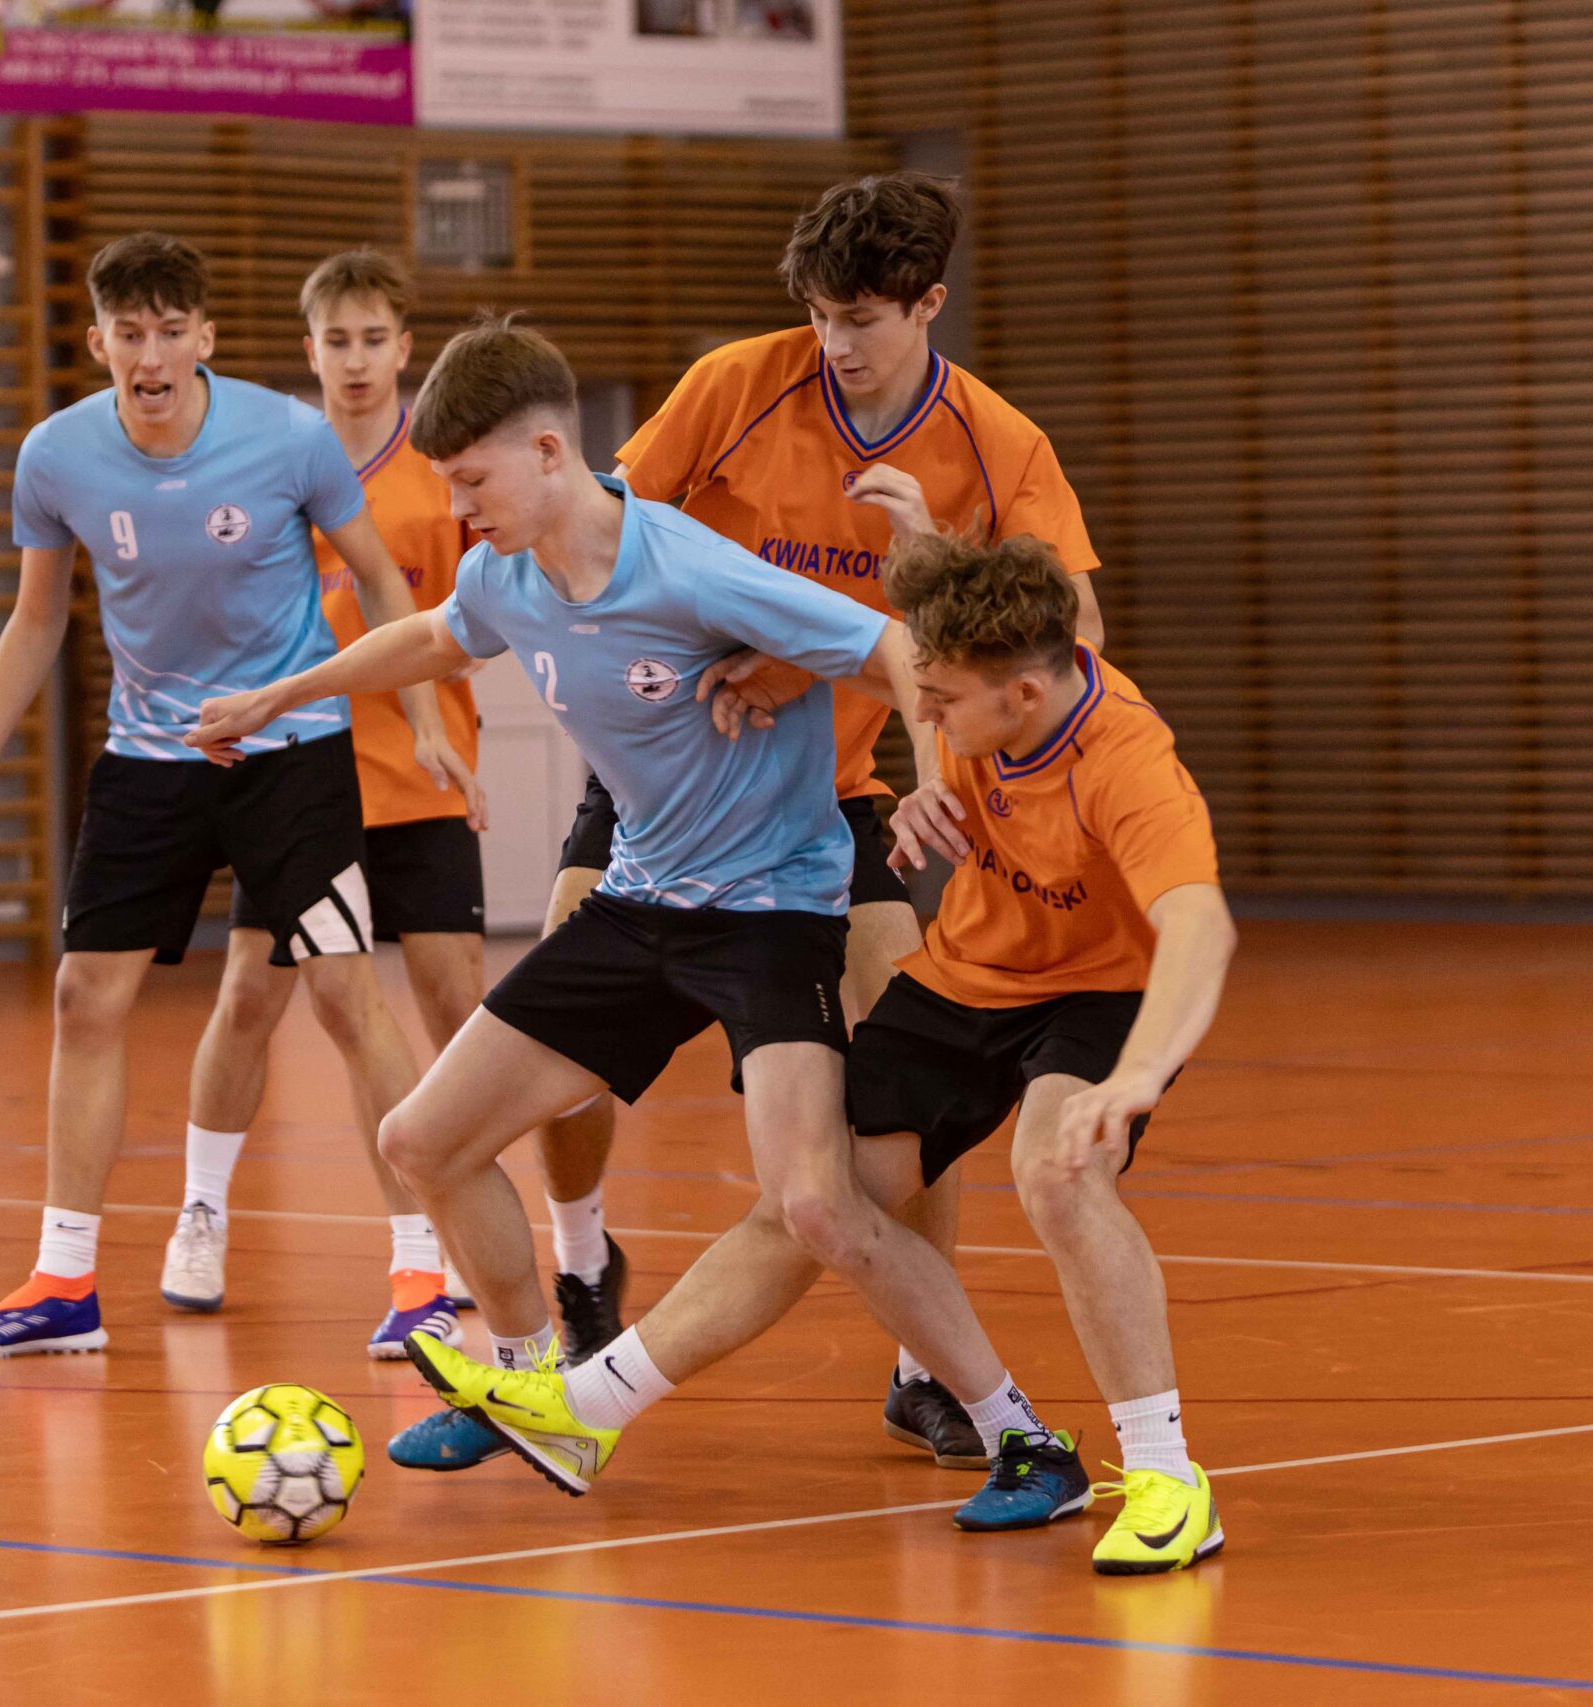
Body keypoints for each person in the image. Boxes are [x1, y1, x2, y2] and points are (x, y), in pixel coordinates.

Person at [189, 316, 1066, 1501]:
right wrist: (278, 697)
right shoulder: (504, 574)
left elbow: (896, 650)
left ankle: (1019, 1433)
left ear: (549, 454)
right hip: (637, 901)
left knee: (818, 1204)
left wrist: (932, 782)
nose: (457, 508)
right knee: (420, 1141)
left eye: (472, 481)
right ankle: (525, 1384)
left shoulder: (692, 567)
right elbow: (435, 638)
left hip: (769, 912)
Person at [537, 169, 1110, 1469]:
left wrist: (911, 589)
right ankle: (578, 1262)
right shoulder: (736, 385)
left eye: (861, 318)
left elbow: (1071, 639)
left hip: (830, 802)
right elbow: (608, 539)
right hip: (664, 780)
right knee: (548, 1054)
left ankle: (927, 1370)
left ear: (928, 304)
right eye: (818, 314)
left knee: (904, 1088)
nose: (835, 343)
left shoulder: (996, 446)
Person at [0, 234, 476, 1360]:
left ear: (205, 338)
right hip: (150, 758)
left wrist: (419, 721)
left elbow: (379, 577)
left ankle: (422, 1273)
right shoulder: (56, 456)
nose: (152, 356)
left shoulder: (288, 438)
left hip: (292, 754)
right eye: (130, 334)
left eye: (172, 332)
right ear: (99, 342)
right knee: (84, 997)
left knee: (343, 998)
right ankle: (64, 1282)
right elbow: (36, 619)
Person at [843, 529, 1234, 1574]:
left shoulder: (1125, 758)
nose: (924, 717)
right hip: (971, 970)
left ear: (1022, 695)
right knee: (825, 1193)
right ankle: (1014, 1434)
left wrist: (1139, 1073)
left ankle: (1167, 1477)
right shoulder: (983, 707)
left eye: (939, 700)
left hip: (1106, 988)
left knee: (1056, 1171)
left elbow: (1199, 924)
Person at [188, 247, 490, 1358]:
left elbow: (489, 610)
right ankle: (201, 1213)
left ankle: (449, 1230)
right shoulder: (272, 468)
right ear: (307, 350)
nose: (355, 360)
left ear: (404, 348)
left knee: (455, 1002)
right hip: (299, 778)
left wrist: (444, 707)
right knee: (250, 998)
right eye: (336, 341)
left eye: (374, 340)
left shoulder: (443, 475)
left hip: (422, 775)